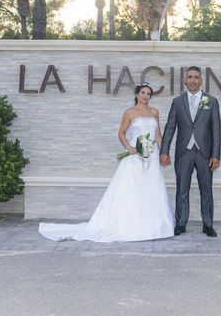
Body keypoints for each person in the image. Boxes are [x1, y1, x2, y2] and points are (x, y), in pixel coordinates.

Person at [39, 83, 174, 242]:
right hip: (135, 156)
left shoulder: (154, 112)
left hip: (152, 156)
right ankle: (130, 225)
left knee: (152, 187)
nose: (146, 96)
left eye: (149, 93)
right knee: (132, 188)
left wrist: (163, 152)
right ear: (137, 94)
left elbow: (158, 134)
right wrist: (129, 147)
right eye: (143, 92)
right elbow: (121, 133)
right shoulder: (129, 112)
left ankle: (153, 226)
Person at [160, 66, 221, 238]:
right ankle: (181, 223)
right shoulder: (177, 102)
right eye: (190, 77)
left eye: (196, 77)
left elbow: (216, 130)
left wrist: (216, 155)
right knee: (182, 189)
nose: (193, 80)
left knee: (207, 190)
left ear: (201, 81)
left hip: (205, 154)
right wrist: (164, 151)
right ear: (185, 80)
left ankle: (208, 225)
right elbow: (170, 128)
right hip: (184, 153)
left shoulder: (211, 101)